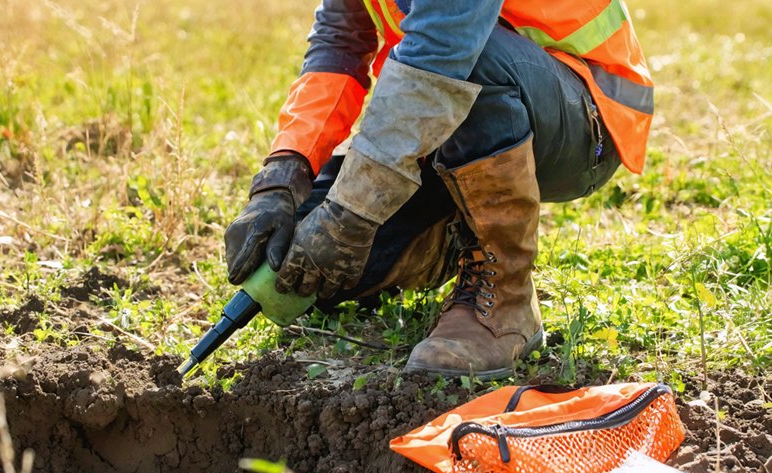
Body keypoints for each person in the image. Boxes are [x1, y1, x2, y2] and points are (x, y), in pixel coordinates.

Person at [224, 0, 653, 380]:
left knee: (471, 57)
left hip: (585, 115)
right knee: (312, 260)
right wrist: (285, 173)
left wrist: (351, 212)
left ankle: (506, 297)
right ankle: (455, 229)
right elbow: (340, 44)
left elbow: (444, 49)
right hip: (448, 108)